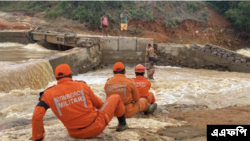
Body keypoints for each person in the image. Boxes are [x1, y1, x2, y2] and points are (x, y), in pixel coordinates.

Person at [31, 64, 127, 140]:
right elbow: (99, 105)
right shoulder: (82, 86)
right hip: (95, 128)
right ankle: (122, 124)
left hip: (74, 133)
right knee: (115, 97)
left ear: (56, 78)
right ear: (71, 75)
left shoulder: (48, 94)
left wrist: (38, 137)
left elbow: (37, 115)